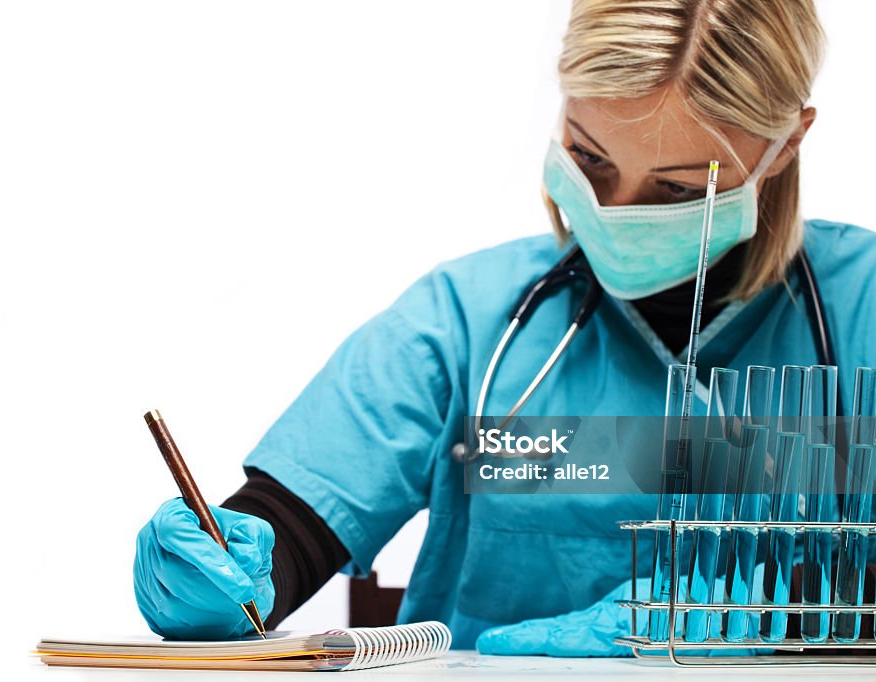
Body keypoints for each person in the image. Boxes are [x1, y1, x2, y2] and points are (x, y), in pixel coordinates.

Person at [133, 0, 876, 656]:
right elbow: (291, 528)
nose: (612, 212)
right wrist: (222, 573)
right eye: (589, 157)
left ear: (787, 142)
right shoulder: (467, 321)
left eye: (681, 189)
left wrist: (783, 605)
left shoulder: (863, 307)